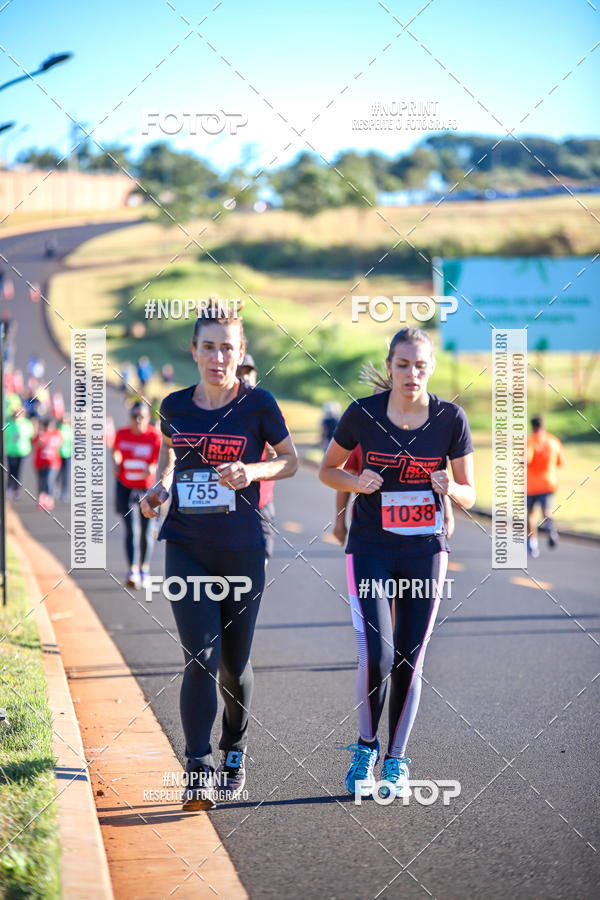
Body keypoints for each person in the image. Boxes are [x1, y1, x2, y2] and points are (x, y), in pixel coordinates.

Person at [141, 305, 297, 810]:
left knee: (234, 664)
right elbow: (173, 462)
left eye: (228, 347)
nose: (218, 356)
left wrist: (251, 471)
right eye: (208, 346)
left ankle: (235, 745)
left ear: (241, 352)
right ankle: (197, 765)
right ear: (193, 350)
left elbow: (290, 461)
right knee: (199, 659)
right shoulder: (174, 406)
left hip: (242, 549)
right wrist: (159, 490)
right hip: (186, 545)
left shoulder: (260, 404)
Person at [319, 327, 475, 799]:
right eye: (403, 364)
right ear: (389, 366)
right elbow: (328, 470)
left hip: (425, 549)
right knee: (378, 653)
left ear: (431, 367)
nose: (412, 373)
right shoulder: (362, 415)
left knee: (411, 657)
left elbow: (472, 493)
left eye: (420, 365)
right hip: (371, 546)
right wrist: (354, 482)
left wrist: (451, 489)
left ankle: (396, 760)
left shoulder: (451, 418)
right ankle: (366, 748)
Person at [113, 402, 162, 589]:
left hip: (146, 490)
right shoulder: (122, 434)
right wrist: (116, 463)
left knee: (147, 531)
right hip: (125, 486)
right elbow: (116, 452)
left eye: (141, 416)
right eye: (134, 416)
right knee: (131, 530)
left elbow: (160, 458)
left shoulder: (154, 436)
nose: (138, 420)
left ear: (148, 417)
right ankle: (132, 570)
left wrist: (152, 467)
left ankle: (144, 569)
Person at [237, 353, 278, 562]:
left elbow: (287, 459)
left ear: (255, 375)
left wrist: (273, 452)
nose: (244, 377)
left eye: (248, 372)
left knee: (260, 563)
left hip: (262, 503)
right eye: (239, 372)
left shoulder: (267, 409)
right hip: (229, 505)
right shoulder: (220, 412)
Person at [527, 415, 565, 557]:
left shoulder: (530, 441)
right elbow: (561, 462)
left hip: (531, 484)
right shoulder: (553, 441)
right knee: (547, 511)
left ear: (533, 427)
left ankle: (533, 545)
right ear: (544, 426)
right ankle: (550, 528)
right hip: (548, 482)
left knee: (531, 514)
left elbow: (527, 460)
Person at [32, 419, 63, 510]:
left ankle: (49, 499)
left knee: (48, 480)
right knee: (41, 481)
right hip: (40, 462)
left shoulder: (56, 433)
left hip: (52, 462)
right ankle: (42, 500)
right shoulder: (40, 435)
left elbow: (60, 443)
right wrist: (39, 440)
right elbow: (33, 447)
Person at [5, 406, 35, 500]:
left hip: (22, 451)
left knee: (18, 471)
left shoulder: (26, 423)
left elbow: (31, 434)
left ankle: (16, 490)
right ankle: (9, 488)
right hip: (10, 451)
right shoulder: (9, 423)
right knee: (11, 470)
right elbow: (5, 434)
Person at [56, 415, 72, 502]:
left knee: (65, 474)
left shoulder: (70, 429)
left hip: (67, 454)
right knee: (58, 473)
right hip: (58, 454)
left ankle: (64, 492)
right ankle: (56, 487)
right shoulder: (58, 429)